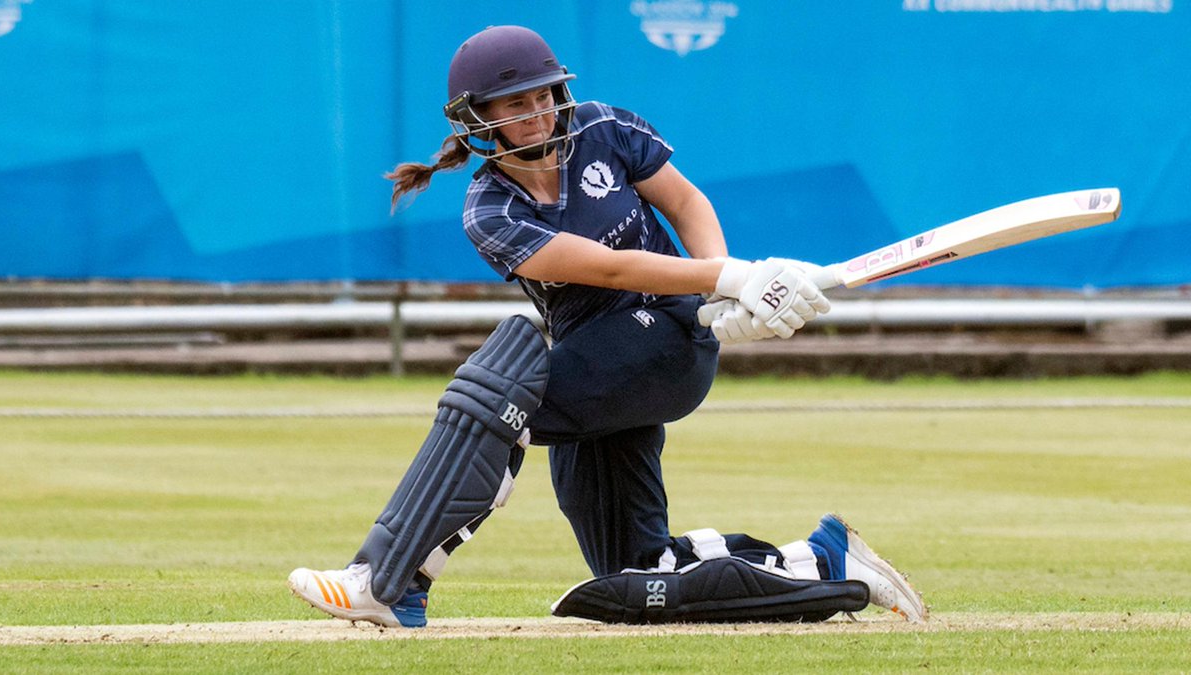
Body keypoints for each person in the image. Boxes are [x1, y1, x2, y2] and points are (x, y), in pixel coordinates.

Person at [288, 25, 926, 627]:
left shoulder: (604, 126)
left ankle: (387, 580)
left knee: (495, 392)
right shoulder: (490, 209)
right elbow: (610, 269)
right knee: (642, 574)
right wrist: (731, 279)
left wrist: (724, 283)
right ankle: (826, 563)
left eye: (544, 96)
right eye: (515, 105)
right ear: (479, 118)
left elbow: (685, 202)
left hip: (664, 339)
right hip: (596, 362)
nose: (537, 113)